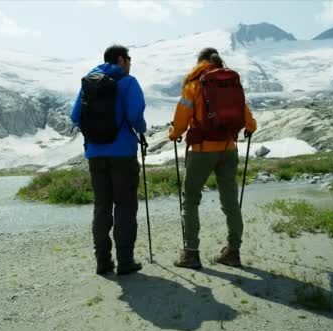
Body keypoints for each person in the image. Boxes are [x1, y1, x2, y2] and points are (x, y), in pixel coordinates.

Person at [168, 47, 257, 269]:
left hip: (201, 150)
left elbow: (182, 118)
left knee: (191, 199)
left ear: (200, 61)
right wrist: (250, 127)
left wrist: (174, 134)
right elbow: (246, 116)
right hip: (228, 148)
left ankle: (191, 253)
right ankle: (233, 252)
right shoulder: (229, 83)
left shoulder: (194, 83)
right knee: (230, 200)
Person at [71, 45, 147, 276]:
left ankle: (103, 262)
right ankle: (125, 261)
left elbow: (75, 116)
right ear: (121, 60)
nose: (131, 63)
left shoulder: (88, 82)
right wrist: (141, 131)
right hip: (122, 153)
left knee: (102, 206)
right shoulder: (128, 82)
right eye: (129, 59)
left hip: (95, 153)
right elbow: (135, 115)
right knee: (124, 206)